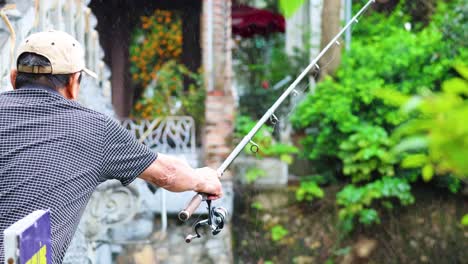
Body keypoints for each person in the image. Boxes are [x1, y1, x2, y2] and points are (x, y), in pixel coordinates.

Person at [0, 30, 222, 263]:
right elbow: (167, 174)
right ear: (74, 84)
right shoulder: (95, 129)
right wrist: (201, 179)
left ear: (14, 78)